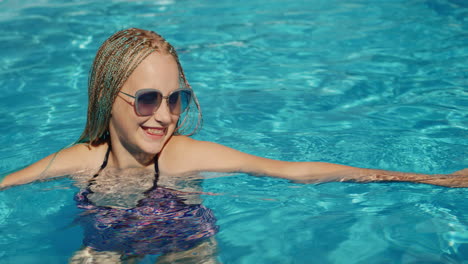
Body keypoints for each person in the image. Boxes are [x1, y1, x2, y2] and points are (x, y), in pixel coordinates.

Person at [1, 28, 466, 263]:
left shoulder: (182, 156)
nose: (163, 115)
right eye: (146, 99)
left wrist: (432, 180)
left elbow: (295, 171)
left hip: (186, 248)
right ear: (108, 99)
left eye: (174, 99)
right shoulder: (82, 160)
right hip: (105, 248)